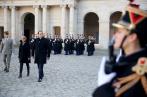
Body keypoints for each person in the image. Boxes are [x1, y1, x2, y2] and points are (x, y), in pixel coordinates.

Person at [93, 2, 147, 97]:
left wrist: (102, 90)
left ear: (132, 37)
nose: (115, 35)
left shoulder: (140, 74)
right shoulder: (125, 62)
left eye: (119, 32)